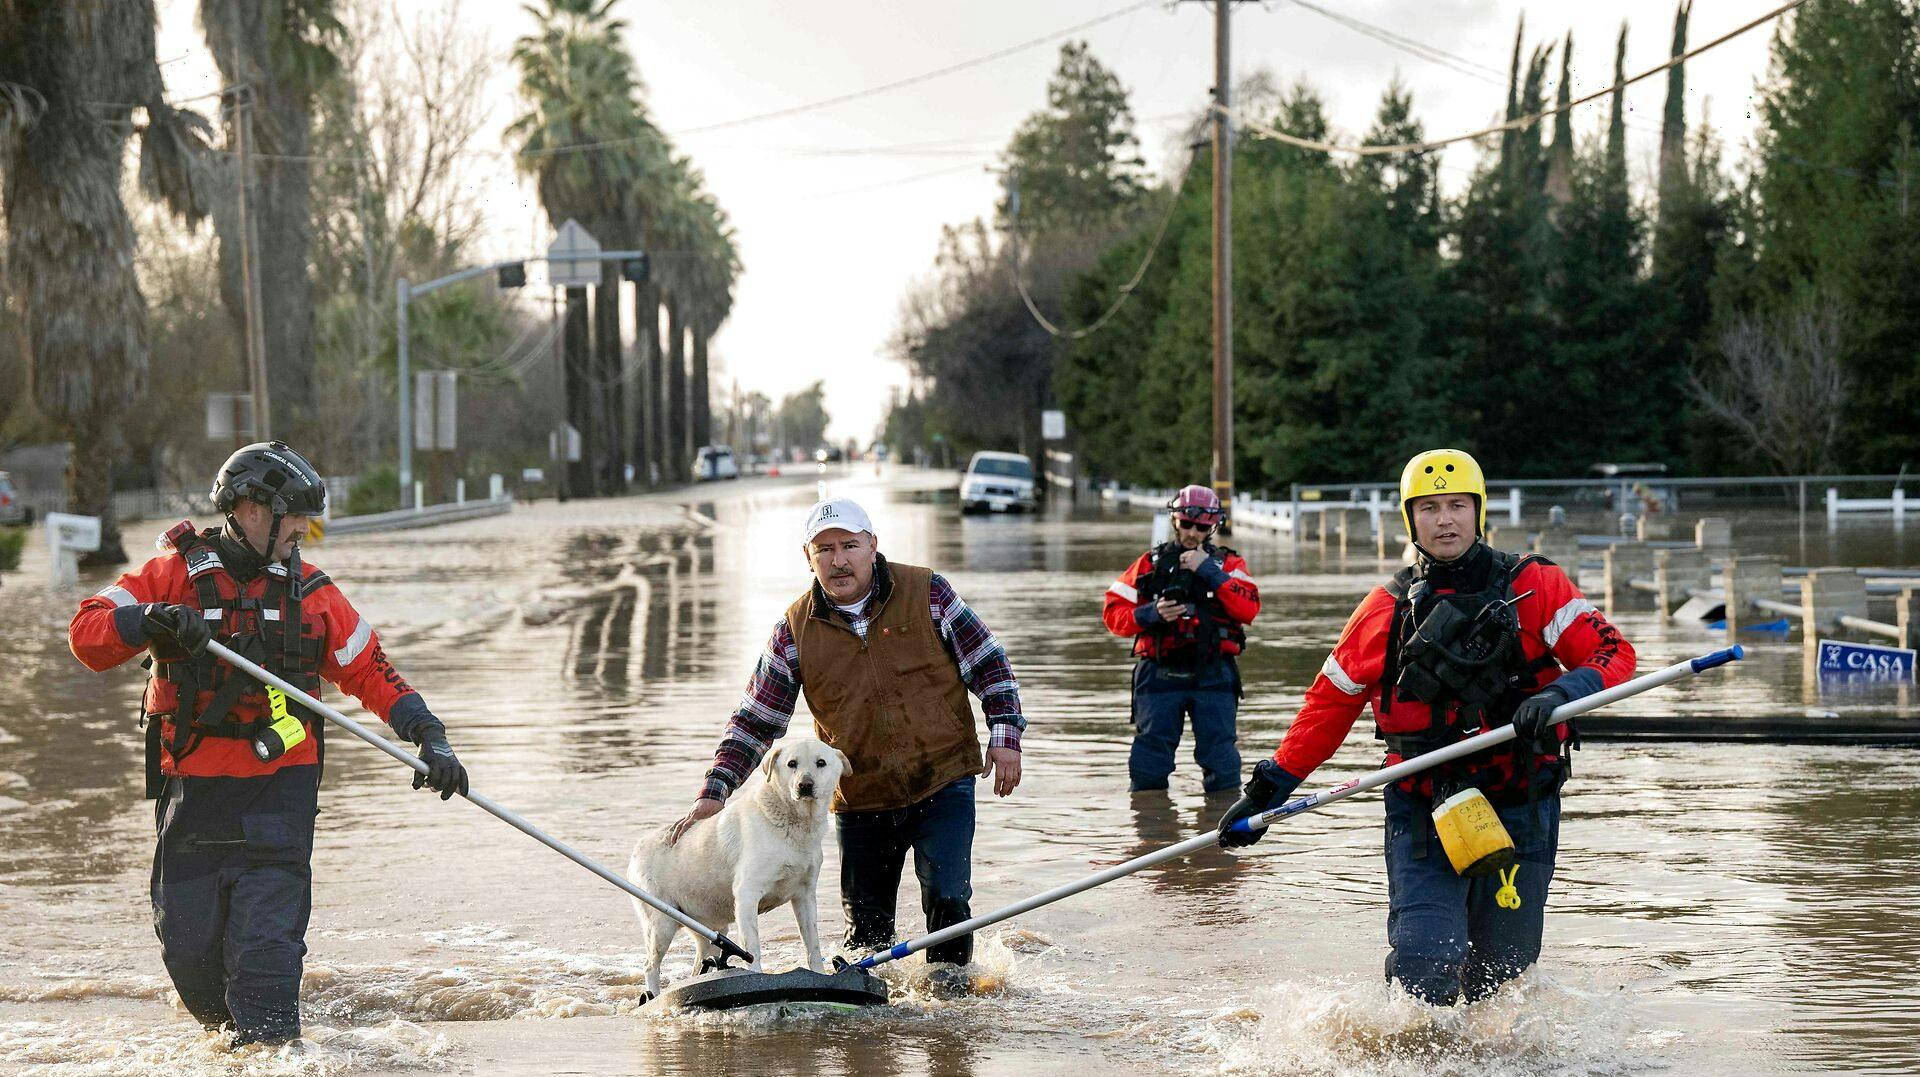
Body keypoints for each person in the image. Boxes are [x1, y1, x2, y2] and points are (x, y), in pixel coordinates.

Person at [68, 441, 468, 1046]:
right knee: (193, 966)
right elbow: (86, 635)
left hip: (280, 798)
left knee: (264, 978)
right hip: (194, 798)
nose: (305, 529)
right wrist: (149, 619)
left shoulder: (313, 592)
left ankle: (276, 1051)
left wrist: (430, 736)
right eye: (296, 516)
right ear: (252, 509)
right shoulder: (169, 576)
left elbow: (371, 670)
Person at [1217, 449, 1635, 1005]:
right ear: (1410, 519)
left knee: (1502, 980)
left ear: (1478, 511)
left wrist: (1561, 694)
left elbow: (1614, 655)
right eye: (1430, 508)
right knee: (1424, 969)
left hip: (1521, 799)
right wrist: (1267, 791)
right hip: (1425, 807)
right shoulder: (1383, 609)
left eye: (1458, 505)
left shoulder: (1538, 585)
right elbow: (1328, 707)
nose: (1445, 520)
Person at [668, 496, 1025, 983]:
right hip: (860, 796)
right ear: (808, 557)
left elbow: (989, 663)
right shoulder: (793, 629)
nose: (839, 560)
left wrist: (1005, 736)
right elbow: (756, 721)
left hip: (942, 778)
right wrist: (714, 792)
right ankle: (868, 1012)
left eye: (849, 546)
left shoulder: (928, 591)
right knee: (867, 931)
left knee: (947, 897)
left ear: (872, 546)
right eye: (825, 549)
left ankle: (950, 1003)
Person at [1102, 485, 1260, 794]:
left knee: (1223, 766)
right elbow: (1112, 614)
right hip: (1159, 673)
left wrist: (1210, 572)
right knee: (1148, 766)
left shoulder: (1229, 567)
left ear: (1212, 527)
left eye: (1200, 527)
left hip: (1213, 673)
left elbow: (1249, 608)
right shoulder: (1149, 564)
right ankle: (1149, 821)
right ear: (1175, 521)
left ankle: (1221, 820)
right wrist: (1151, 614)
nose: (1192, 532)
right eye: (1186, 524)